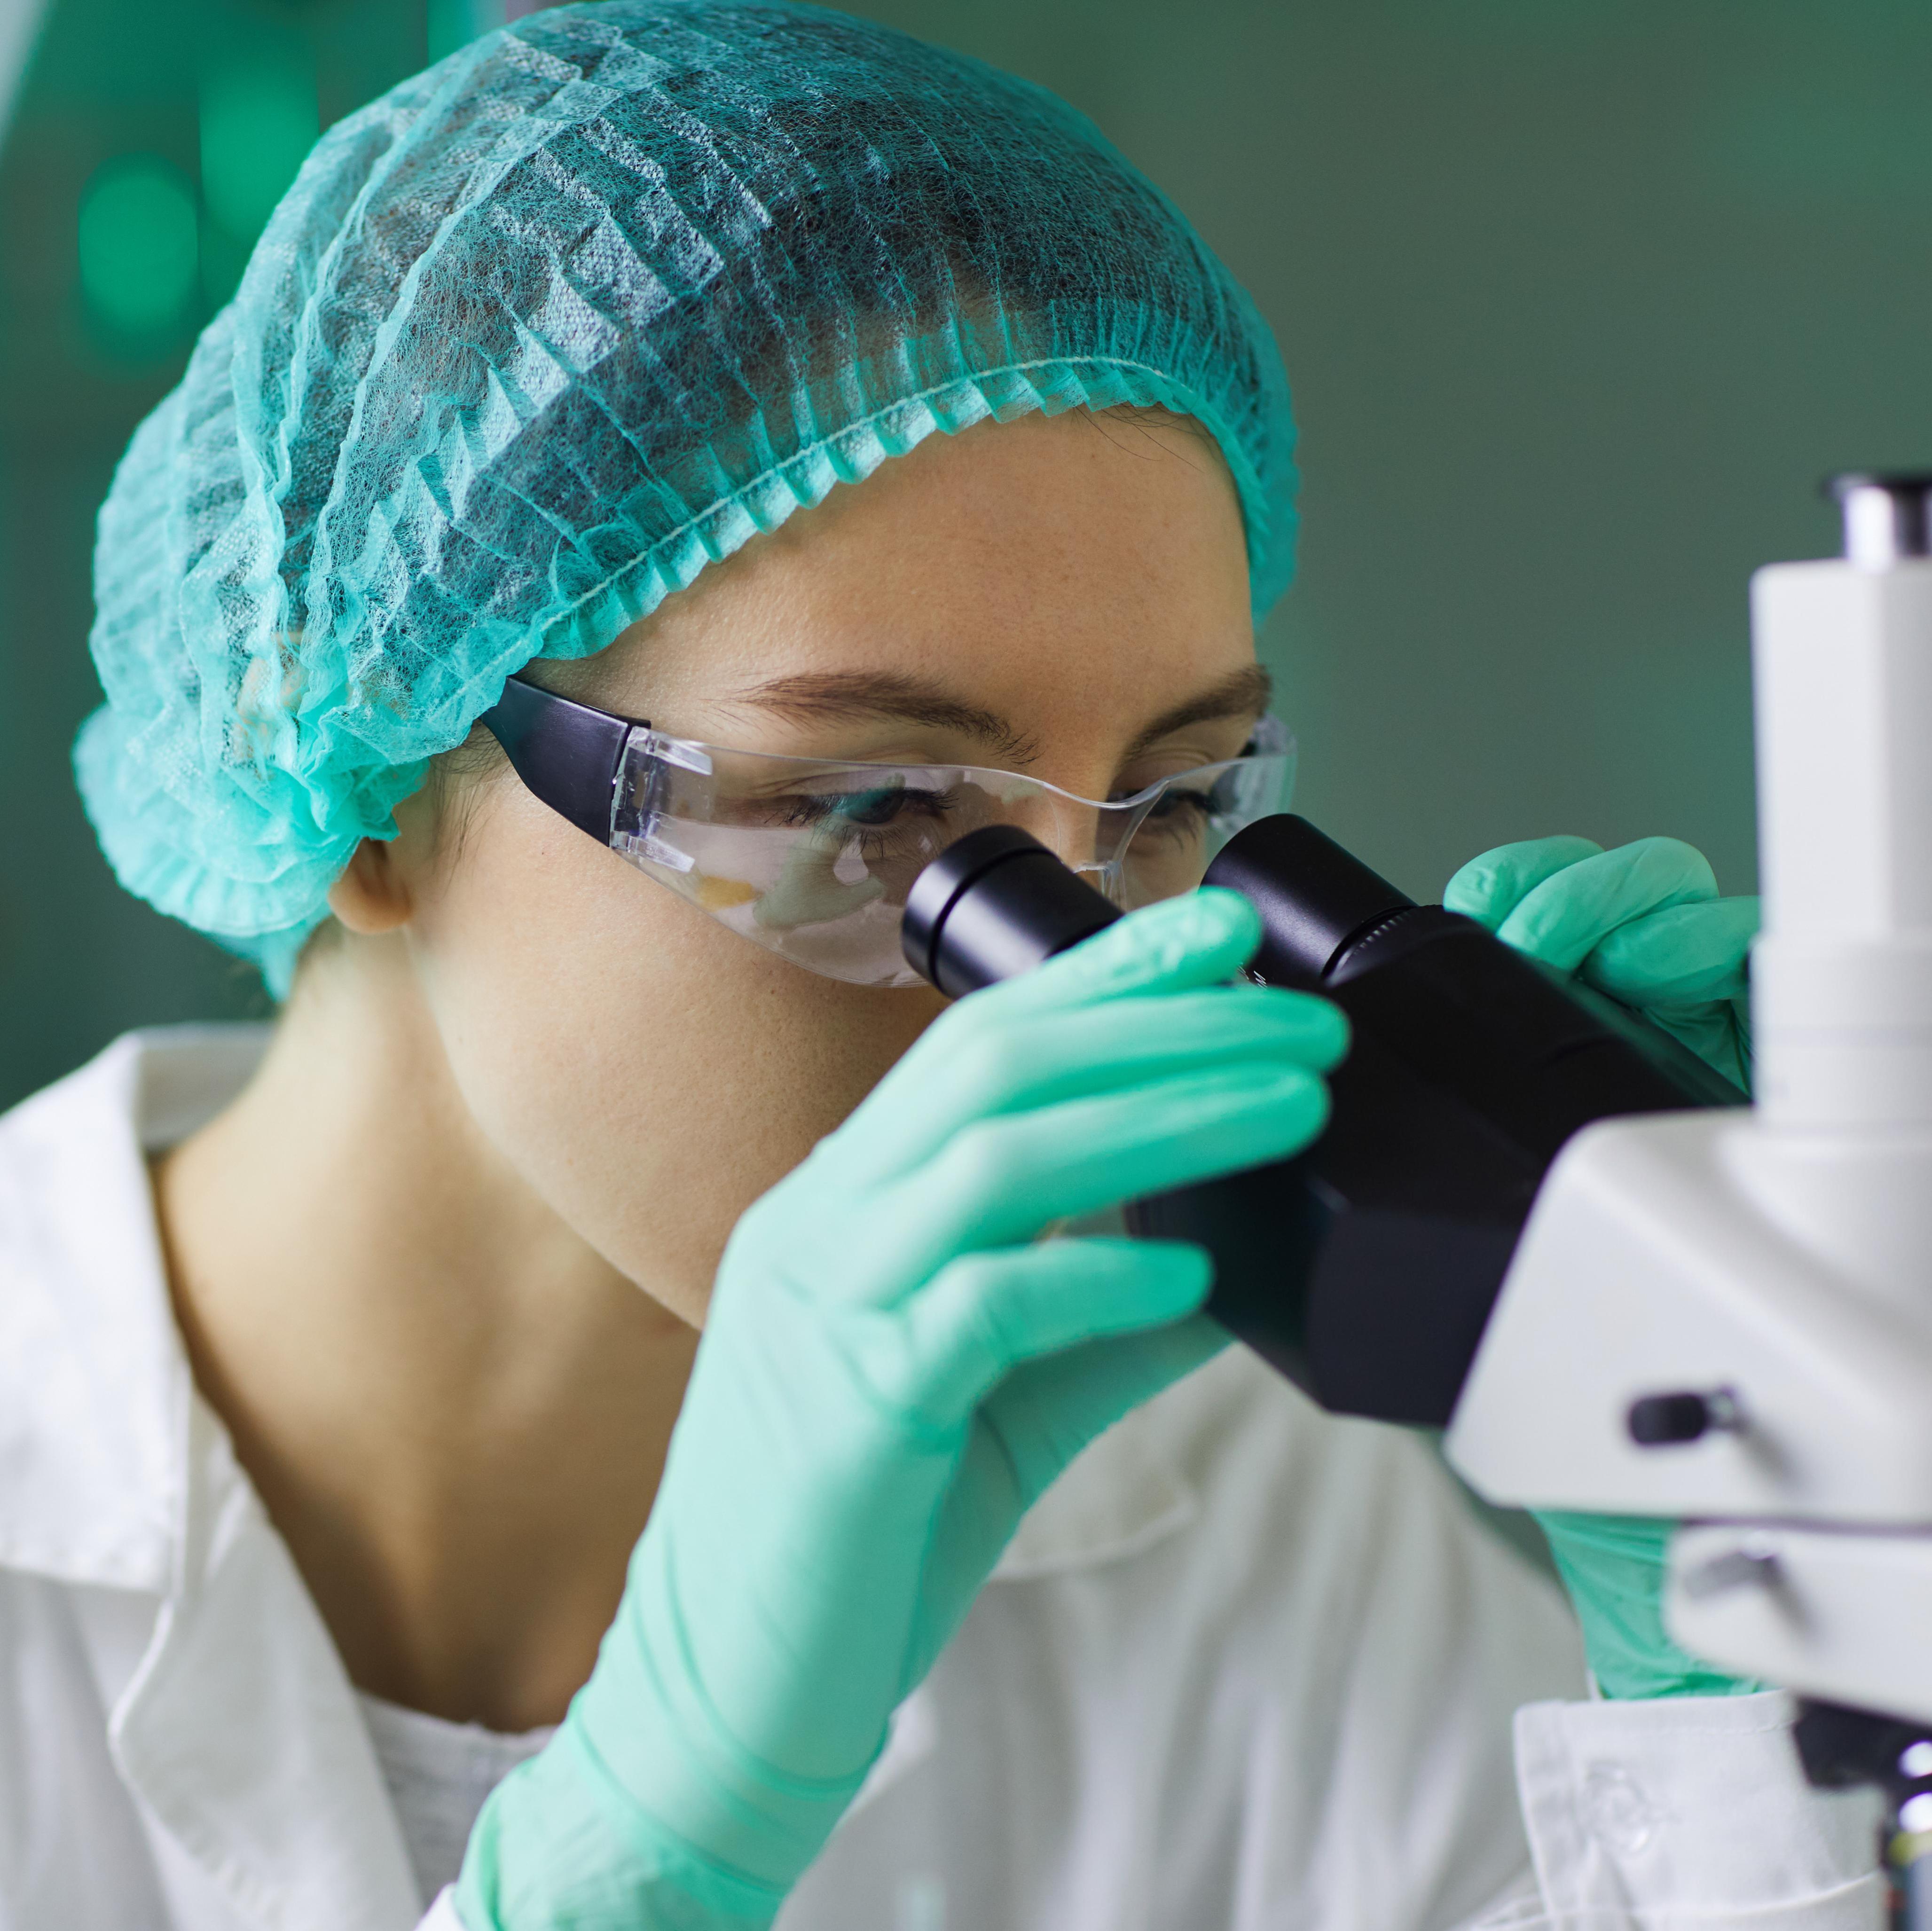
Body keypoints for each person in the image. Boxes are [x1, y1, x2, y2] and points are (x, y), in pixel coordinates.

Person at [0, 4, 1881, 1927]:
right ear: (379, 777)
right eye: (871, 805)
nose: (1061, 983)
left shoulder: (1225, 1506)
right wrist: (625, 1870)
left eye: (1162, 802)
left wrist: (1749, 1705)